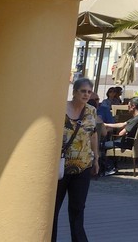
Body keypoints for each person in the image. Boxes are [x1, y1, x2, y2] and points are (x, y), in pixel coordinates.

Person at [54, 78, 100, 242]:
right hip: (60, 168)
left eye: (89, 91)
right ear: (74, 92)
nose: (86, 94)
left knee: (77, 209)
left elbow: (93, 134)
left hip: (83, 166)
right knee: (53, 210)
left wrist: (96, 158)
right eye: (83, 91)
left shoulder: (91, 111)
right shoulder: (60, 109)